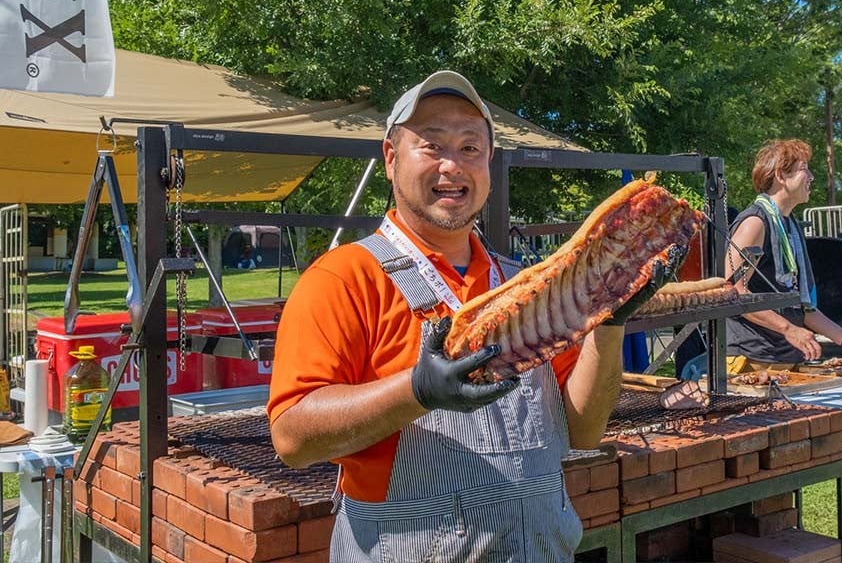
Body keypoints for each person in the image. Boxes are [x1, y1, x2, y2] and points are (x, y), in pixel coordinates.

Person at [266, 70, 668, 561]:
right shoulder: (345, 278)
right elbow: (291, 438)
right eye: (432, 146)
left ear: (489, 162)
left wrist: (608, 324)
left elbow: (582, 432)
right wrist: (416, 391)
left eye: (470, 148)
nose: (452, 167)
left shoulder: (530, 286)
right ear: (391, 159)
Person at [724, 139, 842, 372]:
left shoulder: (790, 225)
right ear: (781, 175)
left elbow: (801, 305)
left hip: (786, 361)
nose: (811, 177)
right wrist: (788, 329)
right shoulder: (755, 224)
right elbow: (733, 293)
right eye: (803, 169)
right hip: (751, 362)